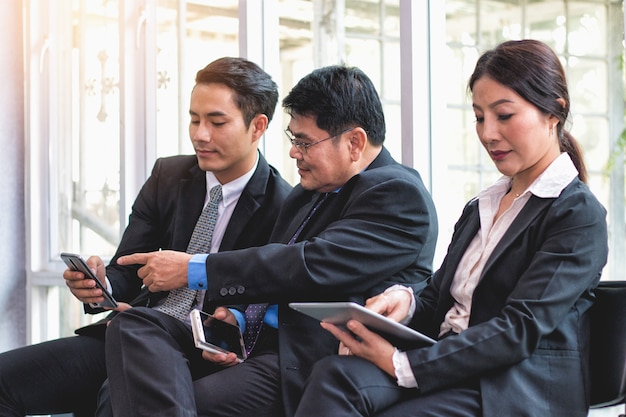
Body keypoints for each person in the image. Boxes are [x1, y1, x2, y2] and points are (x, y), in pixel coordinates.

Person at [101, 64, 439, 417]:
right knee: (134, 325)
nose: (294, 153)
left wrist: (194, 269)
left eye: (305, 142)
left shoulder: (397, 193)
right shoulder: (309, 191)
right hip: (249, 347)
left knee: (130, 402)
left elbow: (311, 265)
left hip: (299, 361)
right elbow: (275, 281)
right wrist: (238, 317)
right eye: (293, 140)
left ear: (354, 142)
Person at [293, 39, 609, 417]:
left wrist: (401, 366)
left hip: (510, 388)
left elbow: (518, 329)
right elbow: (442, 297)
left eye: (503, 115)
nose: (488, 133)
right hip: (451, 367)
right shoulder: (484, 205)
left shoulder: (577, 213)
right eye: (479, 117)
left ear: (554, 112)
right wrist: (406, 302)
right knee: (333, 375)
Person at [0, 56, 292, 417]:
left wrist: (231, 316)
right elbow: (127, 266)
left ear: (258, 126)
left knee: (113, 401)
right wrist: (103, 284)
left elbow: (267, 295)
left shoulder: (284, 204)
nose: (201, 134)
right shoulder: (167, 176)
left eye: (217, 122)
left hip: (200, 349)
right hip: (131, 330)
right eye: (194, 118)